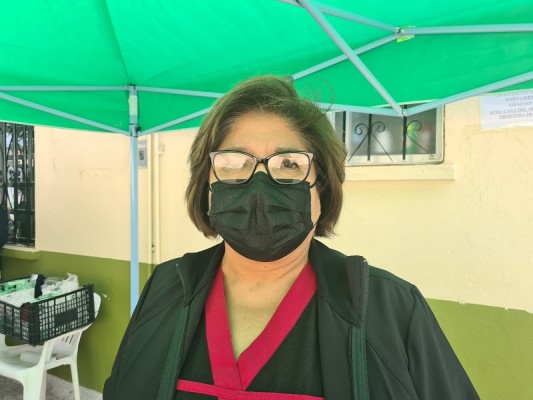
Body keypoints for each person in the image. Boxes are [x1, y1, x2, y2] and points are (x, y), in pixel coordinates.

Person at [103, 76, 479, 400]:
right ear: (207, 185)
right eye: (233, 162)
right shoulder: (165, 287)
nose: (260, 183)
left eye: (289, 164)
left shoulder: (392, 310)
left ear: (322, 189)